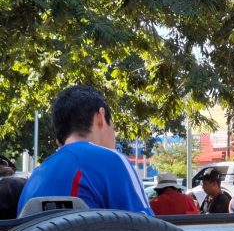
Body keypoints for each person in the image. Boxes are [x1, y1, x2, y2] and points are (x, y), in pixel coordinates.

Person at [17, 85, 153, 215]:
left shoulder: (35, 177)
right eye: (113, 126)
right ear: (100, 117)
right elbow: (146, 227)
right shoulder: (112, 161)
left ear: (59, 139)